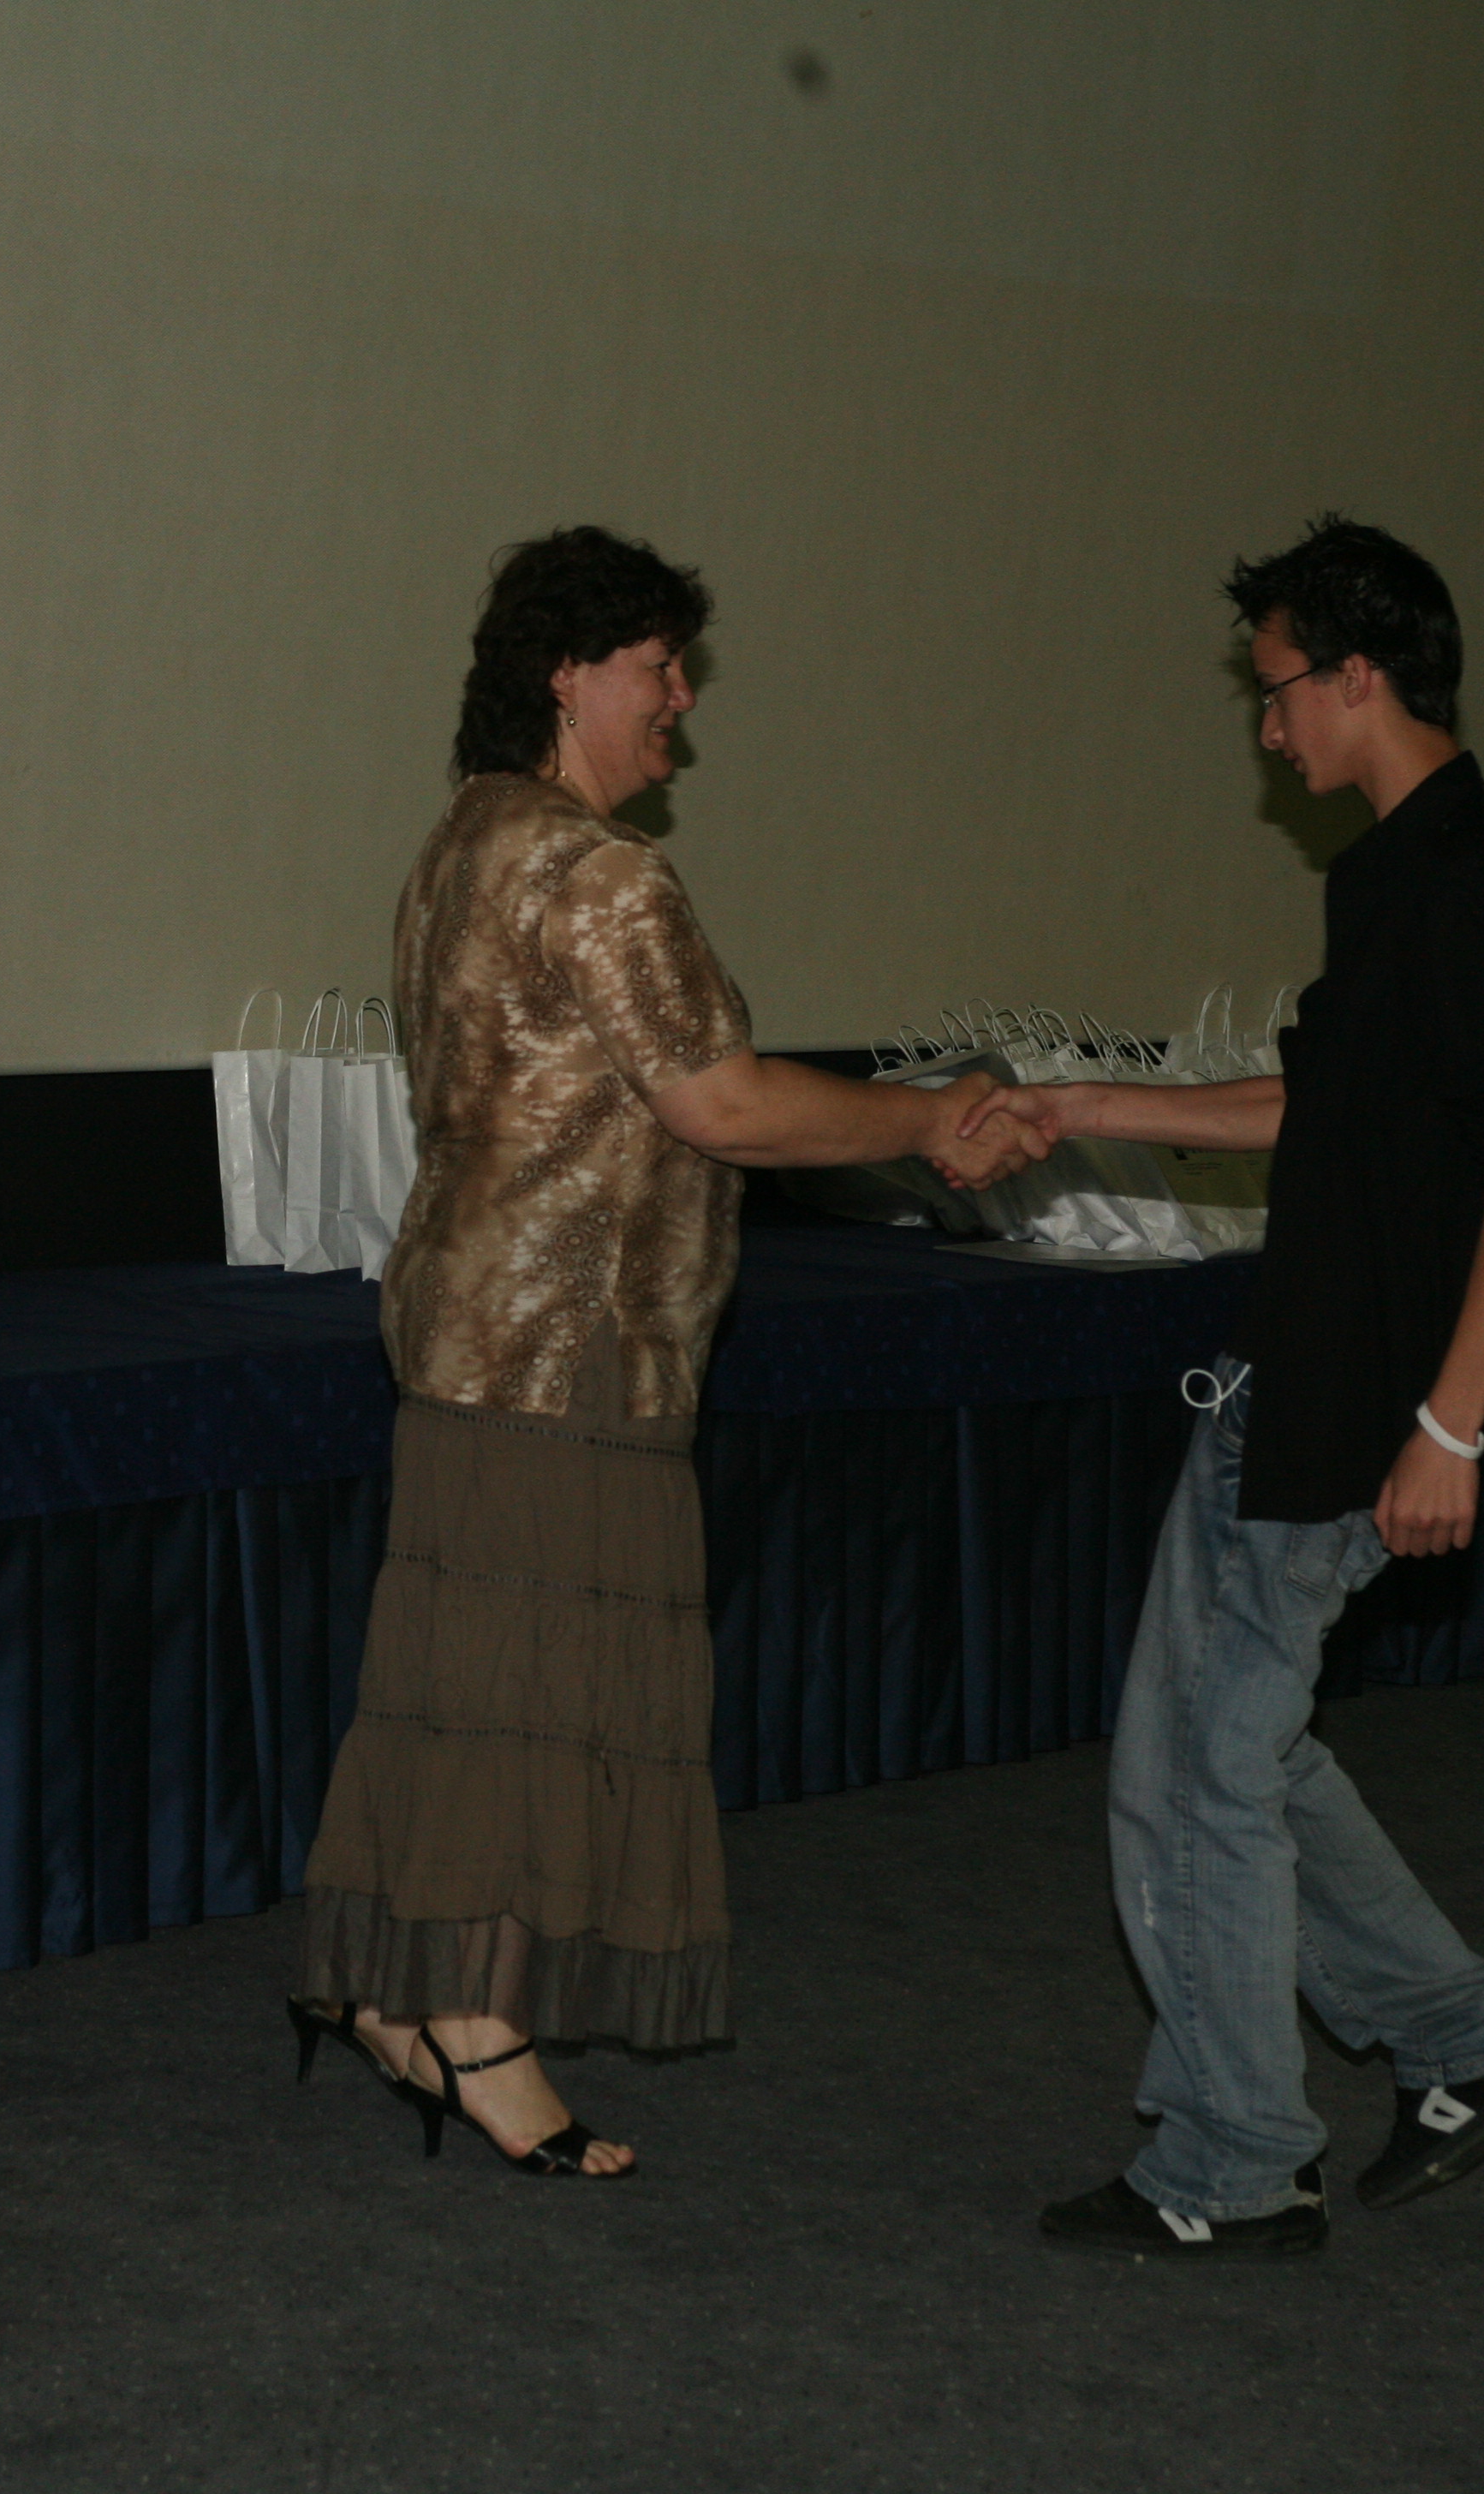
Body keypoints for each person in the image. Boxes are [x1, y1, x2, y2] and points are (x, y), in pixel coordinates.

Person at [290, 526, 1045, 2176]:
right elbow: (726, 1104)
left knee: (465, 1686)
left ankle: (404, 1997)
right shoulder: (600, 873)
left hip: (470, 1332)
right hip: (569, 1352)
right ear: (566, 674)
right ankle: (474, 2024)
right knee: (538, 1697)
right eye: (657, 666)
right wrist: (933, 1119)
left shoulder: (463, 845)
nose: (683, 700)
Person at [972, 516, 1484, 2258]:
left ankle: (1234, 2163)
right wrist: (1072, 1107)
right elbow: (1325, 1108)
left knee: (1195, 1769)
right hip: (1307, 1371)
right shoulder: (1396, 867)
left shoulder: (1459, 873)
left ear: (1359, 674)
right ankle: (1470, 2032)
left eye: (1278, 692)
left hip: (1359, 1398)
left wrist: (1451, 1424)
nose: (1267, 730)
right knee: (1238, 1750)